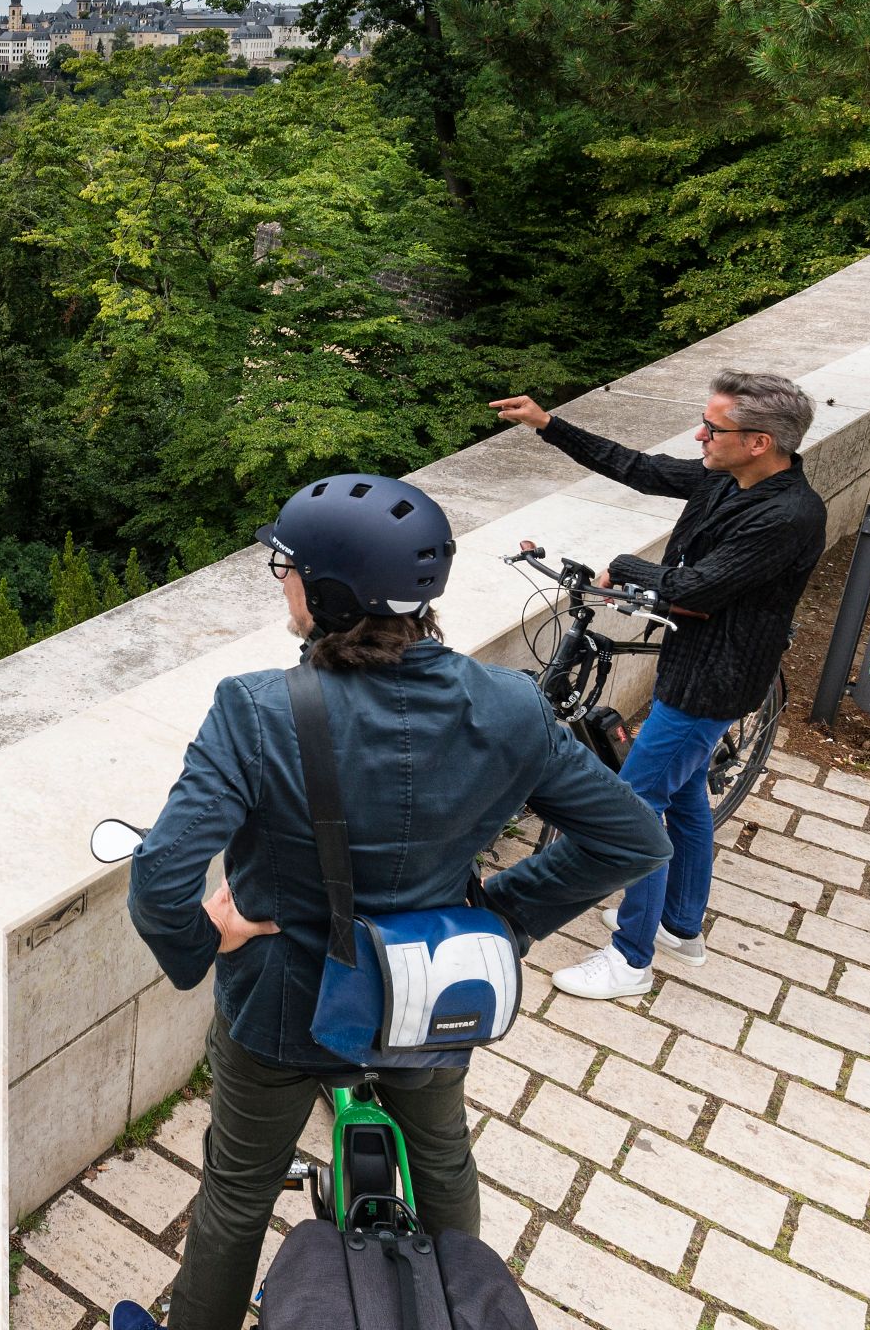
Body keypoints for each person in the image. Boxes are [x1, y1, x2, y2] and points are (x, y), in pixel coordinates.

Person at [122, 474, 671, 1330]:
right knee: (444, 1161)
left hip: (282, 1004)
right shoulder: (512, 706)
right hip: (431, 995)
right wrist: (500, 915)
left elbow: (160, 876)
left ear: (328, 592)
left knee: (237, 1189)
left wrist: (203, 941)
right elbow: (635, 840)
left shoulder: (257, 710)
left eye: (287, 568)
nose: (283, 582)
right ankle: (461, 1305)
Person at [489, 372, 827, 1000]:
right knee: (689, 797)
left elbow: (696, 587)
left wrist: (623, 567)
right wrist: (547, 423)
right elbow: (639, 468)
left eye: (714, 428)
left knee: (634, 814)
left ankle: (630, 959)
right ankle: (680, 927)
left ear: (759, 442)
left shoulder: (786, 514)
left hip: (712, 680)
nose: (702, 435)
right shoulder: (728, 476)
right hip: (695, 664)